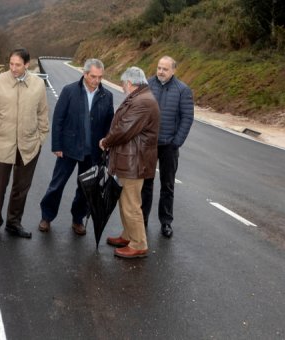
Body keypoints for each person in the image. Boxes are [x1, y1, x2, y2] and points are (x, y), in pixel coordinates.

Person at [38, 58, 114, 235]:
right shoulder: (69, 91)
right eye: (93, 76)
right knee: (57, 184)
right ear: (85, 74)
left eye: (100, 77)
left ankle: (78, 219)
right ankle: (46, 217)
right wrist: (57, 145)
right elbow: (58, 120)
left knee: (85, 189)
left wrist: (107, 145)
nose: (96, 81)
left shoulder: (106, 96)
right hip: (68, 149)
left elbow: (109, 124)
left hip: (93, 152)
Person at [0, 48, 49, 241]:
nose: (13, 68)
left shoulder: (38, 84)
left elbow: (43, 113)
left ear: (27, 64)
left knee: (21, 188)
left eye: (18, 65)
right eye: (11, 64)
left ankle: (14, 223)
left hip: (29, 146)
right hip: (2, 144)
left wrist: (41, 138)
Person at [99, 67, 159, 259]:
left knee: (131, 204)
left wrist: (106, 142)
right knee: (124, 202)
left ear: (130, 83)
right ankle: (128, 235)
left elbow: (124, 129)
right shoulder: (141, 97)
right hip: (129, 160)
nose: (123, 87)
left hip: (134, 162)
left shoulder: (143, 102)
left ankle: (139, 243)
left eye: (124, 84)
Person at [141, 56, 194, 238]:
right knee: (146, 184)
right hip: (149, 144)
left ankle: (166, 222)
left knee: (167, 185)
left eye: (165, 69)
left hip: (169, 146)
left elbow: (187, 118)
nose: (161, 71)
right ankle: (142, 220)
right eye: (159, 68)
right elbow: (139, 111)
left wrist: (176, 142)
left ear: (173, 70)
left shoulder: (182, 90)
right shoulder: (147, 85)